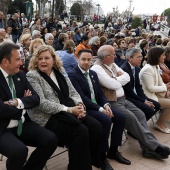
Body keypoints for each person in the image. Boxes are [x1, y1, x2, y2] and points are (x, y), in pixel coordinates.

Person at [26, 45, 104, 170]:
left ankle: (94, 160)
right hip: (47, 116)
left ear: (53, 59)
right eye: (39, 58)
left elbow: (73, 92)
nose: (43, 61)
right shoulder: (33, 75)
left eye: (46, 58)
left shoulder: (60, 71)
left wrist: (80, 106)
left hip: (66, 110)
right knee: (80, 131)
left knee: (95, 126)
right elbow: (41, 103)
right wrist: (69, 110)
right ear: (35, 60)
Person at [91, 45, 170, 160]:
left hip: (122, 99)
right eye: (113, 54)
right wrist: (118, 79)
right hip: (111, 101)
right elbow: (113, 84)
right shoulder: (97, 68)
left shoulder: (112, 64)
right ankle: (154, 146)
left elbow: (126, 77)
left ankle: (147, 148)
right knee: (132, 118)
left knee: (141, 114)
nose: (116, 56)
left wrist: (117, 79)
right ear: (106, 57)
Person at [68, 49, 131, 168]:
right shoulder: (73, 75)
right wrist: (101, 109)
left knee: (121, 118)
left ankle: (113, 150)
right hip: (85, 107)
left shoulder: (92, 73)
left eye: (89, 59)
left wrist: (106, 105)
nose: (86, 62)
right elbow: (81, 97)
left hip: (97, 105)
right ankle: (101, 156)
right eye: (83, 59)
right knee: (105, 120)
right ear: (77, 59)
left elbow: (100, 94)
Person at [0, 42, 58, 170]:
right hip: (3, 128)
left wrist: (16, 102)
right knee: (20, 151)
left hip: (22, 124)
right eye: (17, 59)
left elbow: (36, 99)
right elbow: (1, 110)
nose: (21, 63)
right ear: (5, 62)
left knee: (51, 139)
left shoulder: (20, 75)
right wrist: (24, 104)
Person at [121, 48, 161, 122]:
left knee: (157, 105)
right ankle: (135, 129)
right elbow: (129, 92)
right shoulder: (124, 69)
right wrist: (143, 101)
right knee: (149, 109)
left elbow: (139, 87)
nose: (140, 59)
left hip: (136, 96)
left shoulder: (136, 68)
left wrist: (145, 99)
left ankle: (140, 126)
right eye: (138, 57)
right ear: (130, 58)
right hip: (128, 98)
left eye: (141, 57)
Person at [139, 47, 170, 133]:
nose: (164, 57)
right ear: (157, 56)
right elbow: (150, 88)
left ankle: (161, 122)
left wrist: (166, 89)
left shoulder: (155, 66)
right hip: (148, 97)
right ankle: (159, 123)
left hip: (156, 94)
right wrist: (165, 88)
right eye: (163, 55)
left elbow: (160, 82)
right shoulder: (148, 69)